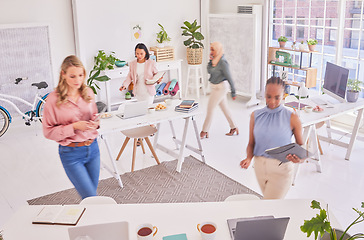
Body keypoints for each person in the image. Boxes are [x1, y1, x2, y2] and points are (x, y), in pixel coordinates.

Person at [42, 55, 100, 199]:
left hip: (93, 149)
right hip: (71, 154)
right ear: (63, 74)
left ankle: (88, 219)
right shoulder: (53, 99)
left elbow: (95, 116)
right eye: (73, 76)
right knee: (91, 198)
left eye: (80, 75)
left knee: (91, 200)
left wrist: (96, 123)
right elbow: (48, 132)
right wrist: (74, 126)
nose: (78, 80)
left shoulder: (88, 92)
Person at [240, 76, 304, 199]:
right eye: (269, 96)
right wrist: (248, 158)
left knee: (269, 206)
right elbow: (251, 143)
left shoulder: (292, 117)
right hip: (259, 169)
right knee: (271, 207)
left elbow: (301, 146)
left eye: (277, 97)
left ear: (283, 95)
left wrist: (299, 159)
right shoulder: (256, 116)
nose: (272, 101)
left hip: (281, 171)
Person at [200, 42, 238, 139]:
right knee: (225, 109)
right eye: (211, 49)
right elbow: (209, 70)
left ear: (218, 50)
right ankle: (233, 127)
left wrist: (233, 91)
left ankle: (204, 131)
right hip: (214, 87)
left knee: (210, 109)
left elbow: (229, 77)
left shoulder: (223, 62)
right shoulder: (214, 61)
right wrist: (210, 60)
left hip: (221, 88)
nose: (211, 52)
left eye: (213, 49)